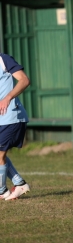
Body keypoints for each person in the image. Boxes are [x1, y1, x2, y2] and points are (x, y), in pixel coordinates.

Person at [0, 53, 30, 201]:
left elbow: (24, 80)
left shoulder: (3, 59)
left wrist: (7, 98)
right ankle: (19, 183)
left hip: (11, 116)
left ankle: (1, 191)